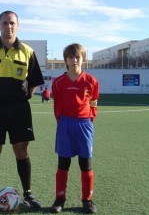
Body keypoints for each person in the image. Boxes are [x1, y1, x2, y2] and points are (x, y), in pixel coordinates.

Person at [0, 10, 44, 211]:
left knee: (21, 151)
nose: (9, 26)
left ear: (18, 25)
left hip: (19, 109)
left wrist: (21, 97)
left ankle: (28, 195)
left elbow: (33, 83)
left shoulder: (28, 52)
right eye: (5, 23)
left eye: (12, 23)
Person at [50, 43, 99, 214]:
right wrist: (62, 122)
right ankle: (60, 198)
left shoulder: (91, 81)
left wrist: (88, 120)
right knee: (63, 163)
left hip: (84, 125)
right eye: (70, 57)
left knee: (85, 163)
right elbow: (57, 107)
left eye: (77, 57)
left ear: (83, 59)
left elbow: (93, 105)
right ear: (66, 60)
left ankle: (87, 199)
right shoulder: (58, 83)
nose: (74, 60)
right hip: (65, 124)